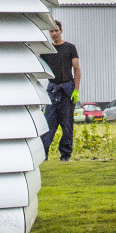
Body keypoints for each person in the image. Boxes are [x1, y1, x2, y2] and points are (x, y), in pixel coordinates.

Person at [39, 21, 80, 162]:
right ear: (49, 33)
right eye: (51, 31)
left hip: (67, 90)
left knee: (67, 125)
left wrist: (76, 89)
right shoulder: (46, 50)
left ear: (61, 31)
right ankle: (43, 156)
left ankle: (65, 157)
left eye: (56, 30)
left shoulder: (70, 48)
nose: (54, 33)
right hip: (52, 90)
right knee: (48, 125)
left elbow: (76, 68)